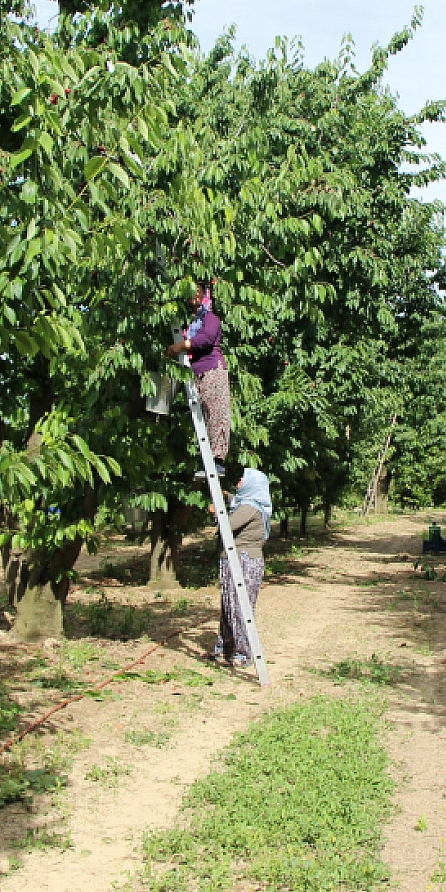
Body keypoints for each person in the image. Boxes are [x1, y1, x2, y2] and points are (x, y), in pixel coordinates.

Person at [165, 281, 230, 479]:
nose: (193, 295)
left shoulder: (211, 318)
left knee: (216, 414)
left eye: (198, 291)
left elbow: (206, 339)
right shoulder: (193, 324)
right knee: (203, 416)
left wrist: (181, 345)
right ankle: (207, 459)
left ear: (205, 295)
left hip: (212, 370)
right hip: (197, 374)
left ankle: (217, 461)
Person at [214, 466, 271, 667]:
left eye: (241, 480)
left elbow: (226, 524)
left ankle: (242, 652)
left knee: (238, 606)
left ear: (251, 485)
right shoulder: (250, 503)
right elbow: (237, 503)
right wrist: (226, 496)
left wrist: (216, 511)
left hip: (242, 560)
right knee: (230, 604)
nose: (238, 483)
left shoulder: (249, 508)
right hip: (241, 558)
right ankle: (226, 649)